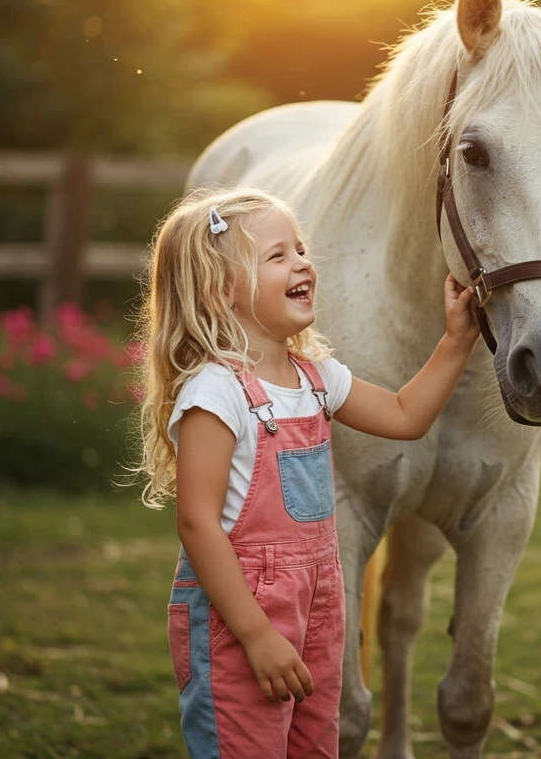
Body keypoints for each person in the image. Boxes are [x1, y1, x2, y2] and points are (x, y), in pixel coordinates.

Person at [129, 186, 480, 758]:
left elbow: (405, 415)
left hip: (319, 611)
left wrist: (456, 340)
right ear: (221, 290)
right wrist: (256, 635)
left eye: (300, 248)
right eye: (277, 256)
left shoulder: (315, 377)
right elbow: (197, 525)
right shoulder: (215, 394)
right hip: (240, 622)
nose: (302, 262)